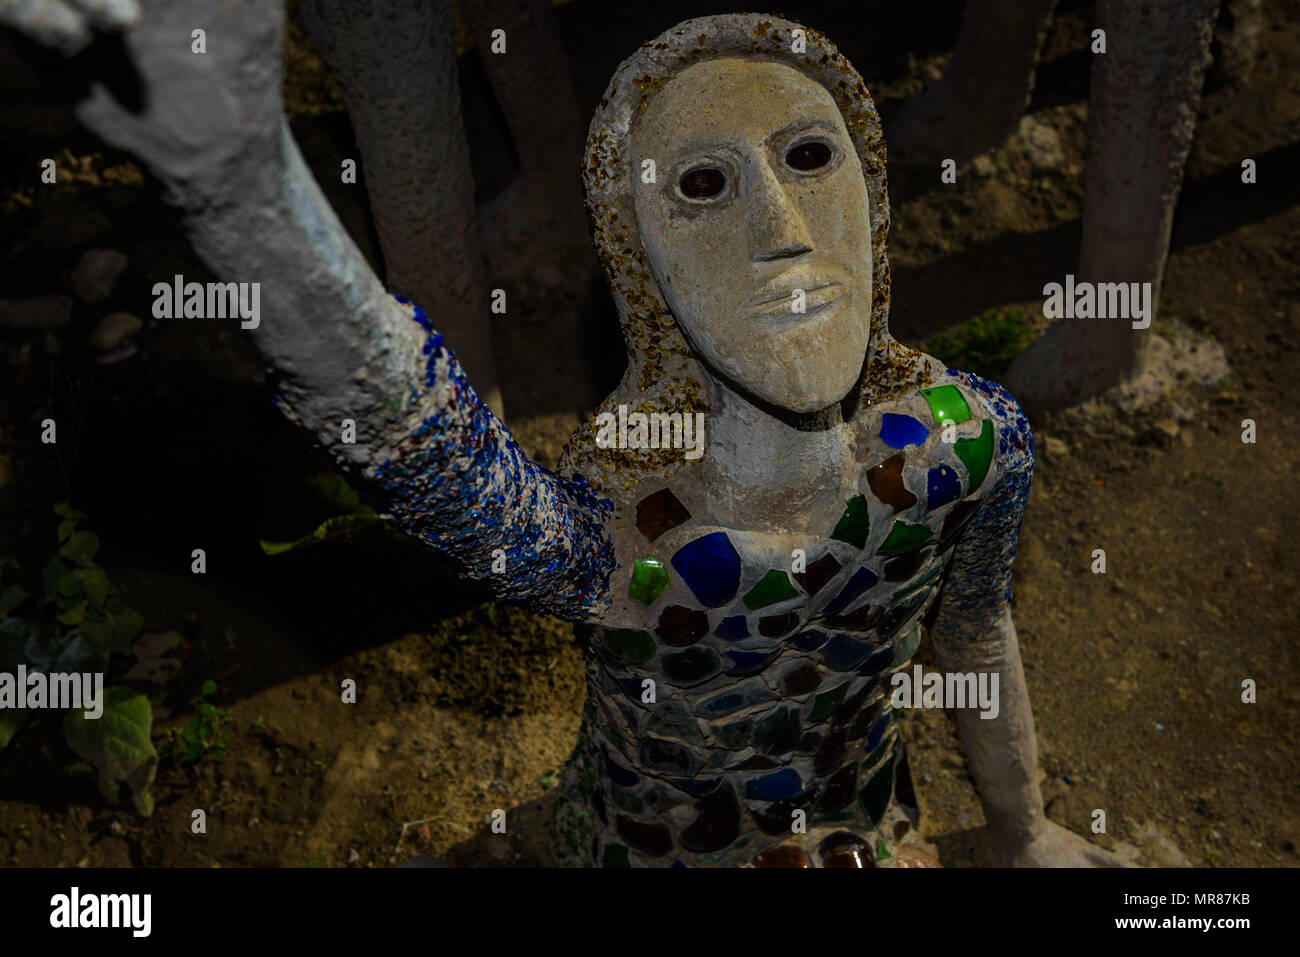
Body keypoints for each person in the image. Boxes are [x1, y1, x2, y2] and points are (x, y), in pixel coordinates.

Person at [3, 2, 1124, 867]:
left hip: (860, 827)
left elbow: (974, 633)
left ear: (872, 197)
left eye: (810, 157)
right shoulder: (627, 539)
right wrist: (243, 187)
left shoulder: (967, 448)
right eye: (701, 185)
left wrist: (1022, 833)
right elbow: (427, 450)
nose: (782, 233)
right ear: (638, 270)